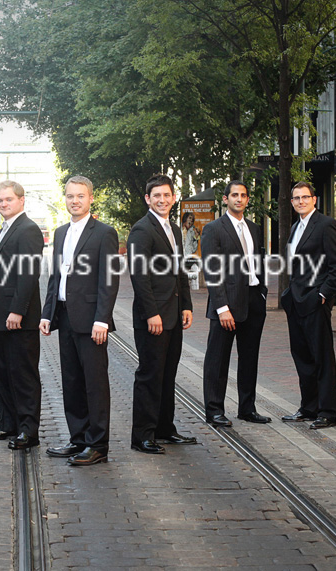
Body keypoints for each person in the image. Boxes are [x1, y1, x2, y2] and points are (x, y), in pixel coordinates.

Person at [40, 176, 120, 466]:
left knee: (94, 384)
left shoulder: (104, 233)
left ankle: (97, 445)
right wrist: (47, 313)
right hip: (65, 317)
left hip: (91, 322)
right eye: (70, 196)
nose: (75, 201)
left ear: (91, 199)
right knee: (72, 382)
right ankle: (78, 439)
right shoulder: (60, 233)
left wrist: (103, 319)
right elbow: (55, 278)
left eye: (80, 196)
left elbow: (109, 280)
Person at [127, 174, 196, 454]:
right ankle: (143, 435)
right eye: (157, 196)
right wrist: (151, 313)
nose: (162, 200)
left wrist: (187, 305)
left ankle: (165, 429)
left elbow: (179, 270)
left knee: (168, 375)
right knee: (150, 375)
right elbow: (139, 274)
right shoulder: (142, 230)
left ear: (173, 197)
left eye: (167, 195)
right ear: (148, 199)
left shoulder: (173, 229)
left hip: (173, 314)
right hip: (153, 318)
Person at [0, 180, 44, 450]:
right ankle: (7, 424)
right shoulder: (0, 232)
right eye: (0, 201)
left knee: (23, 375)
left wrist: (17, 310)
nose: (4, 204)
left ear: (21, 200)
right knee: (2, 373)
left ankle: (28, 430)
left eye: (8, 200)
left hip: (19, 319)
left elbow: (28, 275)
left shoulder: (28, 230)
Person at [201, 181, 270, 426]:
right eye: (234, 195)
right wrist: (222, 307)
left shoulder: (254, 228)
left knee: (249, 358)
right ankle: (214, 410)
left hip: (253, 300)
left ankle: (247, 408)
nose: (239, 199)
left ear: (248, 199)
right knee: (217, 359)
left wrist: (262, 291)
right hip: (226, 304)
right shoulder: (213, 229)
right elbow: (212, 270)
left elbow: (258, 261)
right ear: (225, 199)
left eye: (243, 195)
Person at [281, 181, 336, 429]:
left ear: (314, 199)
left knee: (322, 358)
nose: (301, 201)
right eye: (296, 198)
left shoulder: (325, 225)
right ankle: (308, 407)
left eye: (305, 197)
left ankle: (327, 411)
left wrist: (323, 295)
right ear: (291, 202)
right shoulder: (294, 228)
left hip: (314, 302)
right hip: (296, 302)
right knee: (302, 357)